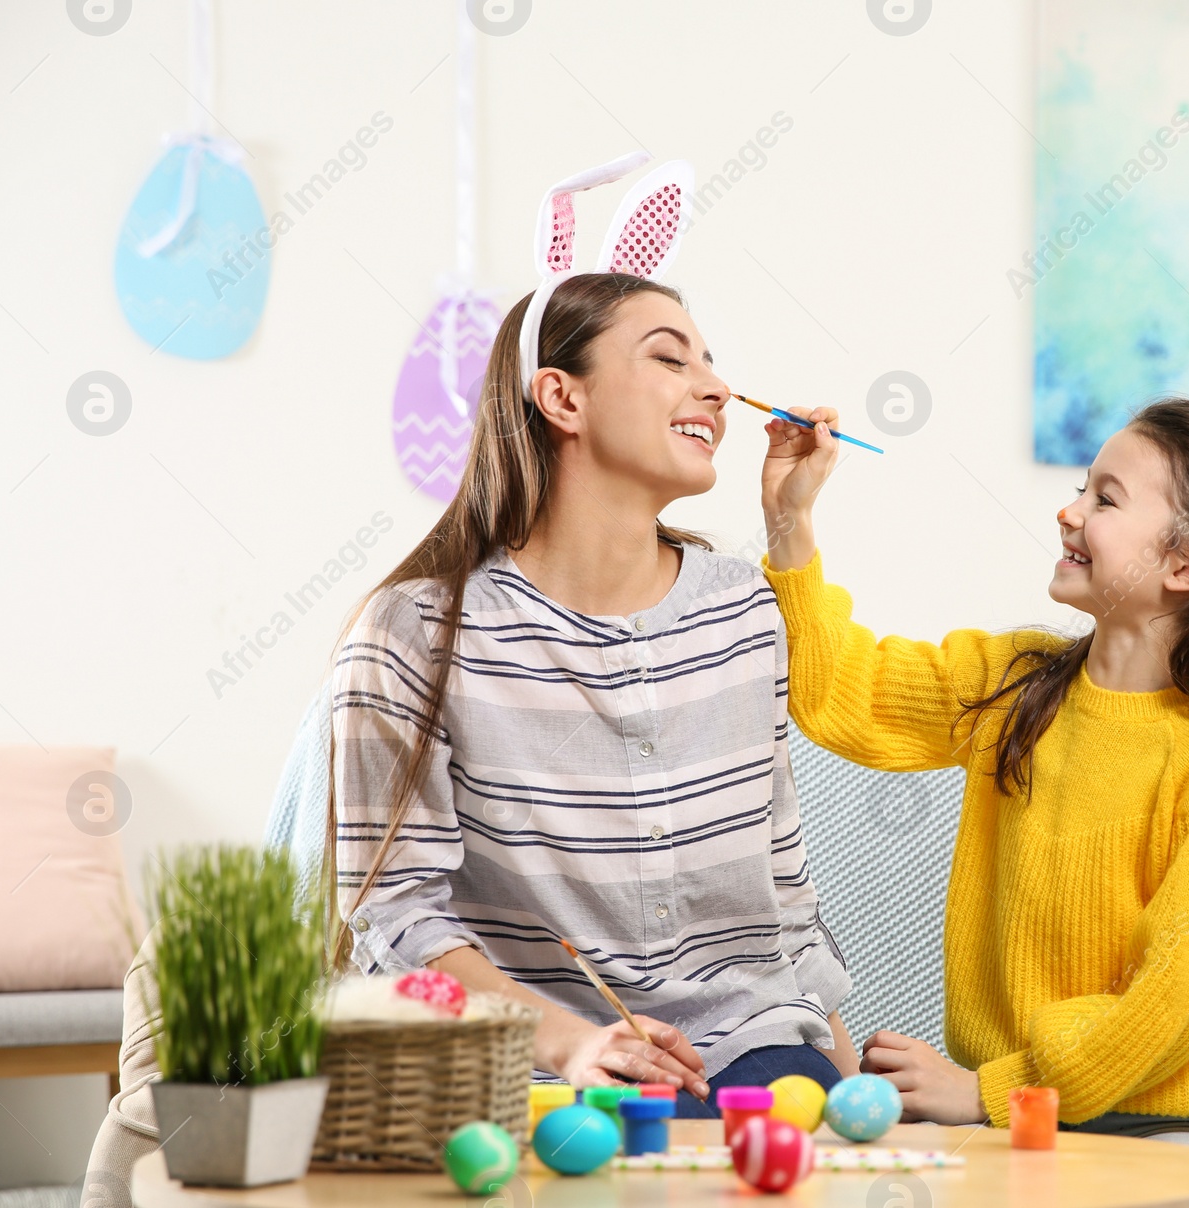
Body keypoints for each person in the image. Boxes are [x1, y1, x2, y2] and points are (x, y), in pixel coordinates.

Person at [753, 240, 1189, 1155]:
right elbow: (842, 693)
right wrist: (791, 524)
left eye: (1107, 498)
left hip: (1160, 1123)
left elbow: (1166, 1004)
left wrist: (989, 1091)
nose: (1070, 509)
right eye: (1082, 485)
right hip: (1011, 1119)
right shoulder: (1014, 686)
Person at [326, 154, 857, 1119]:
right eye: (670, 356)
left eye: (707, 359)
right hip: (532, 1067)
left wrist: (852, 1087)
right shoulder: (412, 634)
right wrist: (572, 1044)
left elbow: (781, 874)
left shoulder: (745, 612)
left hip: (753, 1050)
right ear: (561, 397)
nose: (717, 387)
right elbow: (393, 917)